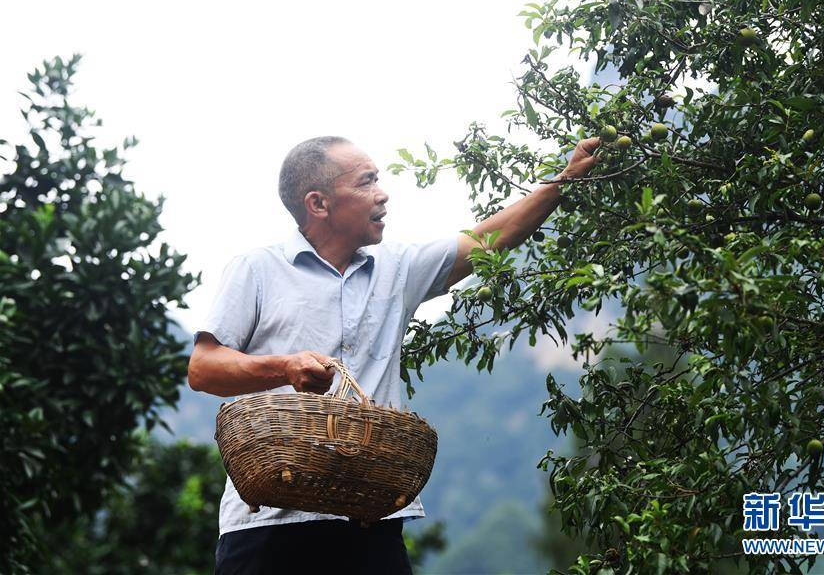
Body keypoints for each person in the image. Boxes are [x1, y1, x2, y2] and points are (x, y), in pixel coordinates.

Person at [187, 135, 601, 574]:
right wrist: (284, 367)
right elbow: (203, 367)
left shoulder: (398, 267)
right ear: (319, 203)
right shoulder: (258, 270)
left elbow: (492, 238)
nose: (382, 194)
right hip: (266, 526)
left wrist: (567, 177)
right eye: (366, 183)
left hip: (369, 523)